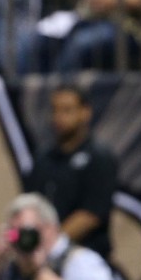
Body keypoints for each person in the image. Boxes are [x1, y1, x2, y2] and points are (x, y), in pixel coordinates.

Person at [24, 84, 117, 262]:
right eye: (55, 110)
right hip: (45, 260)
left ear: (85, 112)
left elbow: (91, 214)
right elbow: (30, 205)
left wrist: (51, 244)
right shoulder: (43, 159)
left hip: (87, 257)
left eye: (67, 110)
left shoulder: (100, 158)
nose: (58, 117)